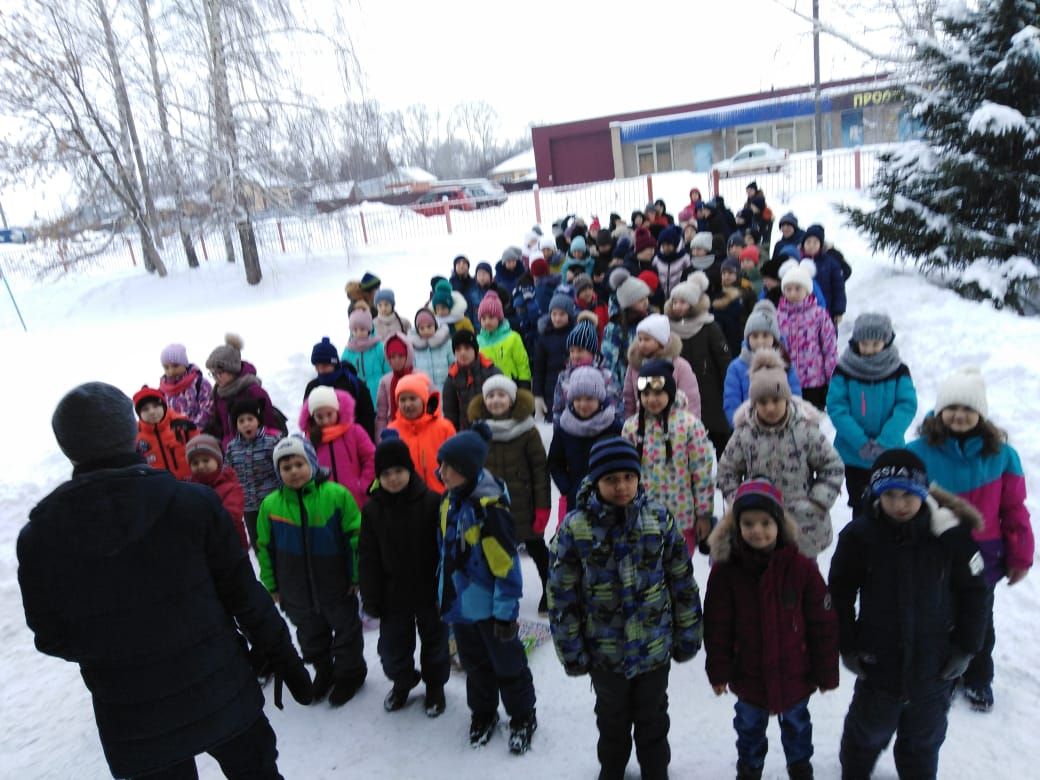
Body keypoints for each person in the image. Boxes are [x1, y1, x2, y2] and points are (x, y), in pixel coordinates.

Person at [18, 383, 311, 780]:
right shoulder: (193, 505)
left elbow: (50, 635)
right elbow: (244, 596)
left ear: (68, 445)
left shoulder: (41, 537)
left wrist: (114, 652)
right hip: (220, 689)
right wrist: (285, 659)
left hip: (131, 716)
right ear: (131, 432)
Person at [829, 449, 991, 779]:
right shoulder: (860, 537)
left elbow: (976, 593)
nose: (899, 504)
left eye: (908, 495)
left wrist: (966, 648)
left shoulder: (950, 537)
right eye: (889, 494)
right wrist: (846, 644)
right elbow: (839, 594)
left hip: (934, 668)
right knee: (865, 734)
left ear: (922, 493)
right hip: (878, 664)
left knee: (922, 742)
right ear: (876, 494)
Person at [548, 436, 702, 780]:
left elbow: (682, 581)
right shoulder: (576, 528)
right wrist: (571, 649)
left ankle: (655, 770)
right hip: (606, 655)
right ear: (596, 481)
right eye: (611, 480)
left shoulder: (659, 519)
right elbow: (562, 594)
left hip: (654, 650)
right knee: (611, 721)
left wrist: (688, 632)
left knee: (653, 719)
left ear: (638, 477)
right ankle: (612, 769)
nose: (621, 486)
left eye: (628, 478)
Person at [906, 368, 1033, 713]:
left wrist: (1020, 555)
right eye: (952, 408)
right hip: (936, 555)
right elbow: (904, 504)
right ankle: (943, 675)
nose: (959, 415)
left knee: (979, 620)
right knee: (937, 618)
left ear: (981, 414)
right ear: (940, 410)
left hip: (983, 558)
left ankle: (978, 677)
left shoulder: (1003, 455)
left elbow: (1014, 508)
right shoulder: (917, 452)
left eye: (968, 409)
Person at [704, 478, 839, 780]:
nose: (757, 530)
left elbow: (822, 624)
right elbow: (717, 626)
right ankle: (750, 768)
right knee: (749, 727)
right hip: (748, 675)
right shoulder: (726, 572)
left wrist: (825, 672)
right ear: (736, 526)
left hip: (795, 674)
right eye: (748, 523)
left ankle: (800, 767)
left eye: (766, 522)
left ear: (780, 524)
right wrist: (719, 671)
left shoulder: (801, 568)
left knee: (798, 725)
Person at [436, 423, 538, 754]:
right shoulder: (449, 500)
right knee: (474, 665)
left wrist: (506, 614)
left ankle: (523, 715)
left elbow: (507, 568)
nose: (441, 472)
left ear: (466, 470)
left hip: (492, 609)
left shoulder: (489, 511)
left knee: (508, 665)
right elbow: (444, 552)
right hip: (460, 606)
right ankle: (483, 712)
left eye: (447, 467)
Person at [257, 435, 366, 707]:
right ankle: (325, 671)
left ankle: (350, 675)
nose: (293, 471)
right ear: (278, 472)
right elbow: (265, 548)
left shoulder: (336, 495)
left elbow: (355, 538)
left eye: (299, 464)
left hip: (336, 585)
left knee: (346, 633)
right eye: (286, 467)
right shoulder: (270, 506)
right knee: (309, 636)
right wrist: (271, 586)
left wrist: (355, 576)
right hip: (295, 592)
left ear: (313, 464)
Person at [718, 350, 844, 559]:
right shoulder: (744, 434)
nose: (769, 407)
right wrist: (740, 503)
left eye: (776, 400)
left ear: (787, 398)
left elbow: (832, 465)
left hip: (802, 523)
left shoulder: (805, 430)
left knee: (802, 578)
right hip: (759, 525)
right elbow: (727, 471)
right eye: (762, 401)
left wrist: (817, 501)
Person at [359, 434, 450, 717]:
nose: (394, 478)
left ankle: (435, 686)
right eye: (386, 473)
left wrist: (446, 591)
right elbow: (368, 557)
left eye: (399, 471)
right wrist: (371, 598)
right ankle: (403, 681)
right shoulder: (372, 510)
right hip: (392, 595)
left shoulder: (432, 502)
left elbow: (445, 551)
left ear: (410, 470)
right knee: (392, 649)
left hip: (428, 591)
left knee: (435, 643)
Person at [467, 376, 552, 613]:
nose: (496, 400)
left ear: (512, 399)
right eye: (491, 396)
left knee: (537, 549)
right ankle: (500, 594)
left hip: (525, 504)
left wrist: (543, 507)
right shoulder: (478, 433)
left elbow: (539, 471)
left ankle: (551, 589)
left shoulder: (527, 431)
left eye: (501, 395)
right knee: (494, 553)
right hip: (492, 508)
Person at [622, 360, 715, 557]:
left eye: (658, 393)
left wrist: (704, 514)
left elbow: (701, 473)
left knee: (679, 574)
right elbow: (624, 472)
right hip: (641, 519)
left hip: (681, 518)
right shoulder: (632, 427)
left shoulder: (689, 426)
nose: (651, 399)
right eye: (646, 394)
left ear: (670, 392)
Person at [827, 313, 918, 509]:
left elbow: (906, 405)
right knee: (861, 505)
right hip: (853, 454)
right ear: (855, 342)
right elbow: (837, 407)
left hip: (889, 452)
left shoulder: (898, 370)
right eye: (864, 343)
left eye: (875, 344)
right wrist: (860, 441)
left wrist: (885, 441)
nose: (869, 349)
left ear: (886, 342)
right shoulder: (844, 370)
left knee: (889, 503)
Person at [665, 274, 733, 456]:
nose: (678, 306)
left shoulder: (709, 326)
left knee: (716, 432)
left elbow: (723, 358)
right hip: (679, 388)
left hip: (709, 389)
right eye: (675, 302)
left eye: (683, 302)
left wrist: (726, 387)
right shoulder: (667, 327)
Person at [548, 365, 624, 518]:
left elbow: (624, 461)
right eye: (578, 399)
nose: (583, 404)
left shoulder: (613, 426)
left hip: (610, 499)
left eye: (589, 399)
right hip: (576, 498)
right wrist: (567, 488)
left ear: (600, 399)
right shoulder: (565, 427)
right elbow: (555, 462)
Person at [723, 301, 802, 427]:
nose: (760, 341)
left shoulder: (785, 364)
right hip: (750, 430)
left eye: (765, 335)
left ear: (774, 338)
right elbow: (731, 402)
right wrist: (742, 426)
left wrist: (788, 421)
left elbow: (795, 396)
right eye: (754, 336)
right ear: (747, 339)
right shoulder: (736, 368)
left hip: (782, 426)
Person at [299, 386, 375, 509]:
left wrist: (364, 483)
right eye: (320, 416)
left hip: (356, 498)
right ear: (313, 417)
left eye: (329, 414)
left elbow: (370, 457)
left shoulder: (355, 431)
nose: (326, 420)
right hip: (326, 501)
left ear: (337, 410)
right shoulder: (310, 440)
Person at [776, 260, 837, 411]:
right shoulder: (778, 316)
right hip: (786, 380)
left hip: (814, 381)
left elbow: (830, 348)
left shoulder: (819, 314)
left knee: (812, 422)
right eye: (788, 289)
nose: (792, 293)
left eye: (798, 288)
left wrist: (832, 380)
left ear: (807, 290)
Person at [205, 333, 284, 449]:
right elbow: (218, 425)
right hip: (230, 451)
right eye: (212, 374)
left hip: (256, 450)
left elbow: (268, 423)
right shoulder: (218, 393)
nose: (216, 378)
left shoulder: (253, 391)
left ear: (232, 370)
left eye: (219, 373)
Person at [225, 398, 282, 551]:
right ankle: (265, 571)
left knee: (277, 541)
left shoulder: (272, 442)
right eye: (241, 421)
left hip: (271, 502)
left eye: (250, 419)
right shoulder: (232, 448)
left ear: (258, 420)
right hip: (249, 507)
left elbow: (281, 470)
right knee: (259, 544)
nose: (246, 424)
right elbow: (228, 474)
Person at [621, 313, 701, 419]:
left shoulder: (680, 366)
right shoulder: (635, 366)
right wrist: (629, 420)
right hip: (643, 422)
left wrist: (691, 425)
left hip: (676, 424)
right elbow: (629, 397)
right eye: (639, 339)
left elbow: (691, 399)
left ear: (661, 341)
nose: (642, 344)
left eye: (647, 339)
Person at [388, 372, 456, 491]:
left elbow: (456, 463)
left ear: (424, 400)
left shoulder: (444, 427)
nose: (407, 404)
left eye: (413, 398)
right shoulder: (392, 431)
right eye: (402, 400)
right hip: (407, 498)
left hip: (441, 494)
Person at [303, 336, 376, 442]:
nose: (321, 370)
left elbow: (367, 416)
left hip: (351, 442)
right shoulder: (312, 387)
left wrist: (364, 442)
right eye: (317, 366)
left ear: (334, 363)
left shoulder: (352, 383)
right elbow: (307, 421)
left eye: (324, 365)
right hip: (323, 444)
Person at [186, 433, 248, 550]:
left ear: (218, 460)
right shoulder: (190, 487)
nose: (201, 465)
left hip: (232, 545)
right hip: (207, 548)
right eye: (195, 463)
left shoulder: (230, 485)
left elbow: (232, 517)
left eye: (206, 460)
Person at [133, 385, 197, 480]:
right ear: (139, 414)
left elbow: (199, 450)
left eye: (155, 406)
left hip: (190, 483)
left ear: (164, 406)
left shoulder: (182, 425)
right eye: (145, 409)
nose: (152, 412)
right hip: (158, 487)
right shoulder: (135, 435)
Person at [442, 329, 500, 432]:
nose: (462, 353)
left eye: (467, 348)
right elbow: (450, 416)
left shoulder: (493, 372)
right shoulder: (451, 380)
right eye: (458, 349)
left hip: (494, 431)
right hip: (466, 434)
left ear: (475, 350)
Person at [533, 291, 576, 421]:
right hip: (550, 391)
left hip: (573, 389)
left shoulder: (576, 335)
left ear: (569, 315)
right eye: (554, 314)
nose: (557, 318)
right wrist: (538, 395)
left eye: (562, 314)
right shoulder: (544, 337)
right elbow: (539, 369)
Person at [602, 275, 652, 389]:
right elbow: (609, 362)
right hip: (625, 380)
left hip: (650, 376)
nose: (646, 302)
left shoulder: (651, 320)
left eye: (646, 298)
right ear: (628, 303)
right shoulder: (614, 328)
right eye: (640, 300)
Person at [475, 291, 531, 389]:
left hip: (512, 385)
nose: (487, 322)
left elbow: (522, 363)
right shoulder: (478, 342)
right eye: (483, 318)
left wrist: (525, 383)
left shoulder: (513, 337)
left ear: (499, 318)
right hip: (487, 388)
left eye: (491, 317)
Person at [342, 308, 390, 413]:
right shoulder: (348, 351)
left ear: (369, 329)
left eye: (362, 329)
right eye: (355, 330)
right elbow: (344, 374)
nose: (359, 333)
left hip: (379, 392)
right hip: (357, 394)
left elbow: (388, 369)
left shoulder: (379, 347)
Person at [800, 224, 847, 326]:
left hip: (827, 309)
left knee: (828, 336)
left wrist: (839, 310)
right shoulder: (798, 262)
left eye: (815, 242)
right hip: (803, 311)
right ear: (803, 244)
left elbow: (838, 288)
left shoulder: (830, 262)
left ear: (821, 245)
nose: (811, 245)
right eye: (808, 242)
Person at [158, 343, 214, 429]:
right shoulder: (163, 390)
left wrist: (192, 428)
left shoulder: (199, 383)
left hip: (199, 433)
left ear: (184, 364)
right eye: (166, 367)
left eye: (175, 366)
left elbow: (208, 408)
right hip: (173, 436)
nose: (171, 371)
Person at [374, 333, 414, 440]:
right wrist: (381, 440)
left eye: (400, 356)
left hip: (417, 430)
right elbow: (381, 415)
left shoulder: (419, 377)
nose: (396, 360)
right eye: (392, 357)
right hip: (394, 433)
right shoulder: (385, 381)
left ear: (408, 355)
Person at [409, 308, 454, 390]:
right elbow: (413, 370)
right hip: (424, 389)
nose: (426, 331)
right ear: (417, 330)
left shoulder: (446, 344)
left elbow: (453, 364)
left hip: (446, 389)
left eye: (429, 326)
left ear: (435, 326)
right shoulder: (413, 348)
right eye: (422, 328)